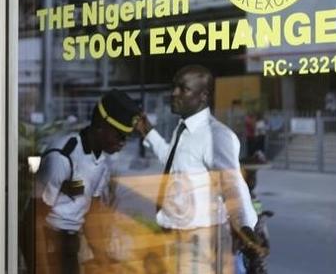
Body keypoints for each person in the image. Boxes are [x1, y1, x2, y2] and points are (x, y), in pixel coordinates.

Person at [135, 65, 267, 273]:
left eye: (183, 89)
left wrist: (244, 228)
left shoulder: (215, 136)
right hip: (175, 237)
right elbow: (172, 160)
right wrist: (148, 132)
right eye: (174, 87)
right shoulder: (184, 129)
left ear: (203, 96)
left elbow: (231, 185)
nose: (174, 93)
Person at [33, 89, 141, 273]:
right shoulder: (62, 157)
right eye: (119, 135)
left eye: (126, 137)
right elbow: (33, 221)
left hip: (71, 245)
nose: (123, 142)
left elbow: (91, 215)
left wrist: (102, 260)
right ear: (100, 126)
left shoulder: (101, 162)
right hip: (49, 244)